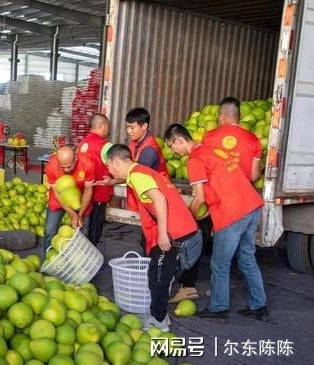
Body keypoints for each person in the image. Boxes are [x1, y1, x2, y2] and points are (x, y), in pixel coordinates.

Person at [164, 124, 268, 321]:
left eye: (171, 146)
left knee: (220, 264)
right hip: (251, 207)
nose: (172, 151)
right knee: (247, 259)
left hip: (232, 214)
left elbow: (199, 198)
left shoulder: (194, 160)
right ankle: (259, 306)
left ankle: (218, 309)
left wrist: (188, 220)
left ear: (179, 140)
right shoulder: (211, 150)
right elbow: (220, 182)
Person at [105, 144, 200, 331]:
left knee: (157, 276)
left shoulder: (137, 175)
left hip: (174, 232)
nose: (108, 170)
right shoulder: (142, 172)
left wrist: (163, 233)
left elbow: (159, 199)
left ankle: (159, 321)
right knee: (158, 273)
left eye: (108, 165)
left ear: (116, 162)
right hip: (179, 228)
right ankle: (160, 314)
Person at [43, 146, 95, 255]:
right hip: (58, 200)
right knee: (49, 231)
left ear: (75, 158)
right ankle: (49, 259)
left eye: (69, 167)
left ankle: (82, 261)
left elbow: (88, 192)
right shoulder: (51, 166)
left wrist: (80, 214)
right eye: (63, 167)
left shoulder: (88, 164)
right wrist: (72, 214)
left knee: (83, 232)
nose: (66, 170)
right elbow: (57, 193)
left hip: (81, 200)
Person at [202, 96, 263, 181]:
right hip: (240, 192)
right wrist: (261, 170)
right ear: (239, 117)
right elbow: (254, 176)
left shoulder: (208, 137)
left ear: (221, 116)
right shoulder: (253, 140)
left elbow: (203, 170)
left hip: (215, 192)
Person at [76, 114, 113, 249]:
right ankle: (92, 255)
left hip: (82, 193)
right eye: (107, 127)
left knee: (83, 224)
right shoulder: (107, 146)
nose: (108, 131)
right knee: (95, 227)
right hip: (99, 193)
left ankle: (81, 251)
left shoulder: (81, 144)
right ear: (103, 127)